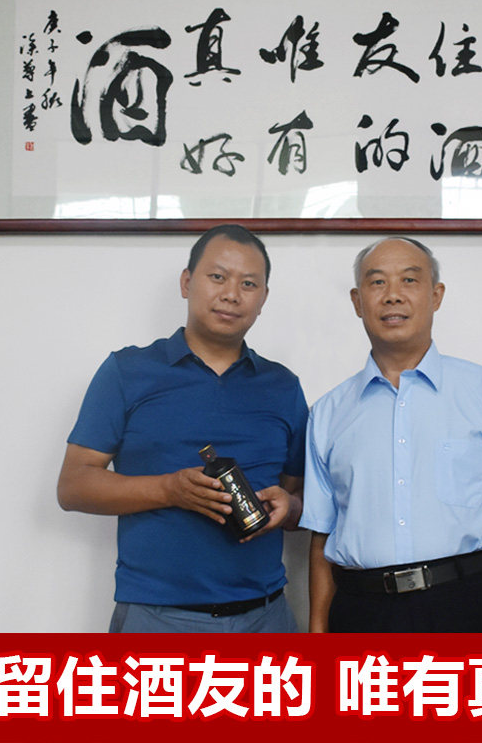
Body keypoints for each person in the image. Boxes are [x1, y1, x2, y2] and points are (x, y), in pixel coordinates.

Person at [57, 224, 308, 632]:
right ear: (187, 283)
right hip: (156, 618)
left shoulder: (283, 386)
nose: (231, 294)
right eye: (218, 277)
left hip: (266, 618)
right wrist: (169, 489)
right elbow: (72, 486)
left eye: (248, 283)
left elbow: (297, 499)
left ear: (263, 299)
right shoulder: (128, 371)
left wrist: (291, 507)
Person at [301, 237, 482, 633]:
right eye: (377, 282)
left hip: (470, 605)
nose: (393, 295)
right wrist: (317, 633)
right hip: (363, 612)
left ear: (436, 295)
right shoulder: (328, 413)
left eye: (409, 280)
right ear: (357, 301)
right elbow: (322, 536)